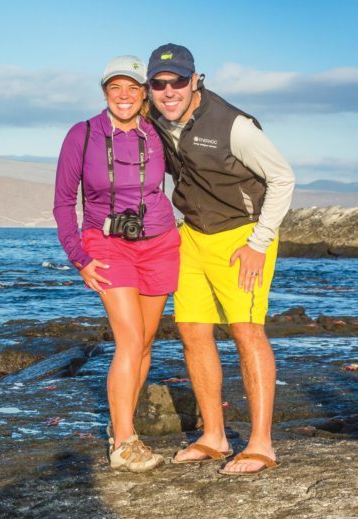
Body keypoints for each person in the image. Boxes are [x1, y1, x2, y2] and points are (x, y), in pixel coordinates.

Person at [146, 43, 295, 475]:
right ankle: (213, 436)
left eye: (178, 81)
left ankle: (262, 445)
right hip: (191, 235)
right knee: (192, 332)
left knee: (247, 332)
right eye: (159, 83)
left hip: (241, 237)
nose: (169, 90)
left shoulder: (234, 125)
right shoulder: (156, 117)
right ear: (150, 87)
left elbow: (283, 177)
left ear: (196, 80)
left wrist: (259, 242)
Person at [53, 56, 181, 472]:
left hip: (160, 243)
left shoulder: (159, 132)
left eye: (132, 88)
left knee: (145, 341)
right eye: (115, 88)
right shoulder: (83, 134)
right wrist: (79, 257)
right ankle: (125, 442)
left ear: (144, 92)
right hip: (106, 243)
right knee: (128, 340)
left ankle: (120, 425)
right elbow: (62, 203)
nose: (124, 96)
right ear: (105, 92)